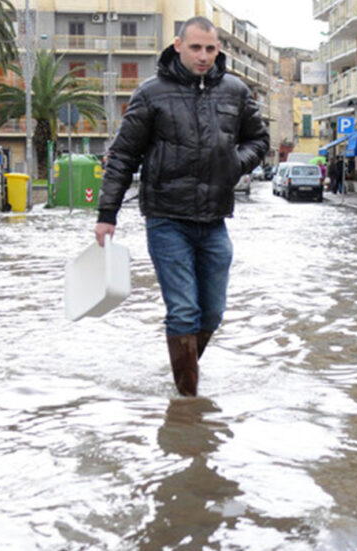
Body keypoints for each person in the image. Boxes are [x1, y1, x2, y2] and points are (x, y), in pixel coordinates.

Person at [94, 16, 269, 397]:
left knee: (212, 313)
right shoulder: (151, 93)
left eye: (210, 49)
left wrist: (235, 164)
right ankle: (187, 402)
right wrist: (107, 215)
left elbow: (259, 140)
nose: (203, 56)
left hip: (214, 219)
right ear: (178, 46)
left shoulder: (236, 92)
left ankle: (181, 371)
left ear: (217, 49)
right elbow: (123, 155)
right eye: (195, 48)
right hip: (166, 218)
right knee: (184, 311)